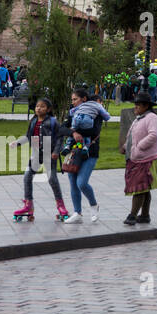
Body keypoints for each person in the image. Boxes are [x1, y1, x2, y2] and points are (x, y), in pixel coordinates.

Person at [9, 97, 70, 221]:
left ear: (48, 109)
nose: (39, 108)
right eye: (37, 106)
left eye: (42, 106)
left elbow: (59, 138)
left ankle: (61, 206)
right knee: (27, 176)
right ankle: (28, 205)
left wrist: (56, 151)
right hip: (36, 154)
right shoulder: (33, 121)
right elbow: (28, 137)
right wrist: (17, 143)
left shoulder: (53, 121)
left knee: (52, 179)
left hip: (49, 153)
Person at [63, 88, 111, 224]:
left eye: (75, 99)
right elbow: (62, 128)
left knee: (82, 183)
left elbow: (94, 130)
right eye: (72, 100)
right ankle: (77, 212)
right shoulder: (73, 112)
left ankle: (94, 205)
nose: (73, 103)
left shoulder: (96, 112)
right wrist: (73, 134)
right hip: (74, 152)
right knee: (72, 182)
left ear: (84, 99)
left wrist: (75, 130)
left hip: (90, 152)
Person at [122, 90, 157, 224]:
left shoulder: (152, 118)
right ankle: (145, 215)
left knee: (140, 188)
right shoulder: (139, 119)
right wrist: (126, 146)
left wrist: (139, 146)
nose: (135, 107)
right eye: (135, 104)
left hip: (147, 159)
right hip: (136, 158)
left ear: (146, 106)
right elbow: (132, 135)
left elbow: (154, 135)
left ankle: (132, 216)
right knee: (144, 188)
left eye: (138, 105)